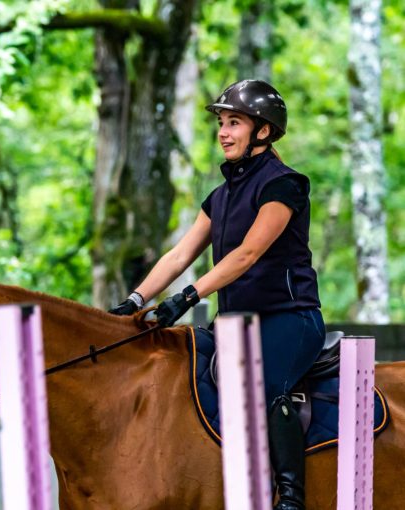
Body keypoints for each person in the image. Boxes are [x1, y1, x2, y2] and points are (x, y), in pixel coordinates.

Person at [109, 79, 325, 510]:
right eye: (221, 123)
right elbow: (179, 255)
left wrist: (187, 297)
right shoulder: (220, 196)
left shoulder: (285, 185)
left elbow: (247, 254)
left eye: (234, 123)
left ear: (262, 131)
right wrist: (133, 301)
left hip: (289, 319)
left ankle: (290, 500)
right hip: (234, 325)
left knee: (265, 389)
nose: (223, 132)